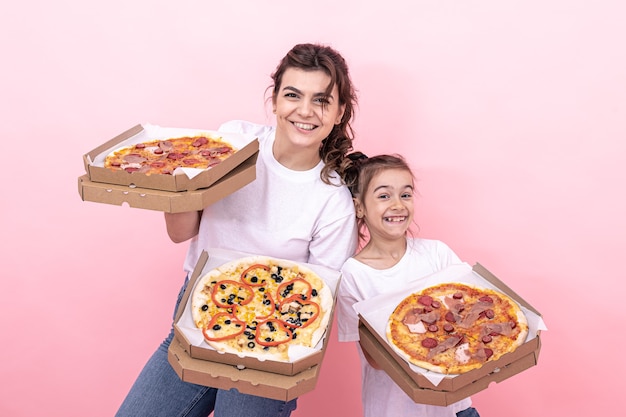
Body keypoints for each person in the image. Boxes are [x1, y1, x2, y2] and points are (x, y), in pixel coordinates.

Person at [115, 43, 359, 417]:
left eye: (322, 100)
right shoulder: (234, 143)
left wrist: (264, 330)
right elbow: (182, 233)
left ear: (339, 111)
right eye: (293, 95)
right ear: (274, 100)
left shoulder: (333, 202)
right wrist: (175, 187)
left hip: (272, 340)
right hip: (199, 312)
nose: (305, 111)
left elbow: (317, 304)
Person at [336, 154, 480, 417]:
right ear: (359, 208)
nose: (397, 205)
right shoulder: (353, 274)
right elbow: (376, 360)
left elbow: (472, 318)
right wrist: (427, 325)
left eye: (406, 194)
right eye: (383, 196)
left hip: (456, 409)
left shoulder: (437, 253)